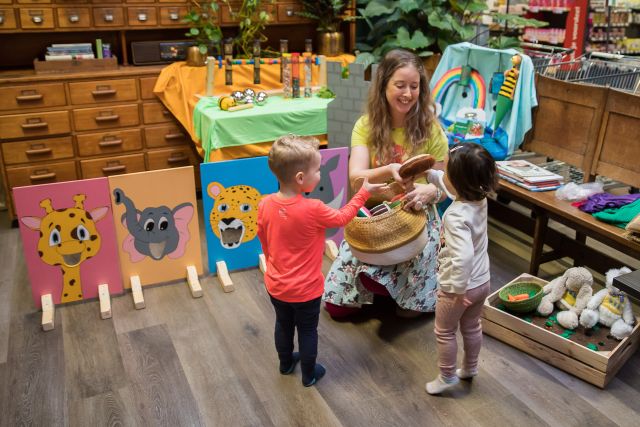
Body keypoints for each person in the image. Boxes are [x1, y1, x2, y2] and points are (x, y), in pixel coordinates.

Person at [323, 48, 449, 317]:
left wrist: (429, 191)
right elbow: (356, 179)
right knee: (337, 309)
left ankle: (390, 289)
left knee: (407, 313)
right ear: (383, 85)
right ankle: (382, 286)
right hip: (372, 216)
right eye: (400, 85)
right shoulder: (365, 125)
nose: (407, 93)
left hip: (414, 216)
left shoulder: (432, 129)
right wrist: (389, 169)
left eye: (414, 86)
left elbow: (443, 184)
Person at [258, 134, 387, 387]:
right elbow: (342, 218)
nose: (319, 175)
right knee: (307, 331)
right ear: (300, 178)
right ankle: (309, 374)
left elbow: (263, 238)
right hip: (306, 290)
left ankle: (285, 363)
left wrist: (273, 262)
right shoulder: (313, 208)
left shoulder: (264, 204)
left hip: (276, 285)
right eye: (317, 170)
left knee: (283, 325)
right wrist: (362, 194)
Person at [425, 142, 498, 395]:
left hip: (460, 287)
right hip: (482, 282)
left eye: (445, 171)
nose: (443, 176)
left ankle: (446, 377)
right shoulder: (479, 197)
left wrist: (455, 290)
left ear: (458, 181)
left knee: (444, 331)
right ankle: (470, 368)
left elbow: (463, 257)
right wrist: (432, 175)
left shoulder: (455, 216)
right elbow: (451, 186)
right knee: (472, 326)